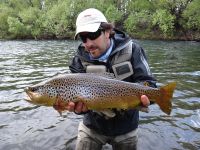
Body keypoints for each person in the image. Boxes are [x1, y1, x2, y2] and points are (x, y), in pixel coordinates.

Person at [67, 8, 157, 150]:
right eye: (83, 38)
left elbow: (150, 84)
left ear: (107, 32)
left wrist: (148, 98)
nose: (88, 43)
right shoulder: (78, 60)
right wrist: (79, 109)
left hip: (126, 128)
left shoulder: (133, 50)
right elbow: (78, 102)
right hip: (92, 127)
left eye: (93, 34)